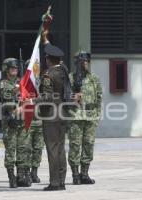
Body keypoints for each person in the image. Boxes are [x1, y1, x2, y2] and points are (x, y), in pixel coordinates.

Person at [26, 28, 72, 191]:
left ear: (48, 59)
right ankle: (61, 181)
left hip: (51, 115)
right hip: (63, 114)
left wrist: (30, 100)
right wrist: (46, 40)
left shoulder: (48, 75)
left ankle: (54, 183)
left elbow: (47, 97)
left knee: (52, 148)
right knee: (60, 148)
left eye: (46, 57)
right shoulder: (64, 70)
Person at [68, 50, 103, 185]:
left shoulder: (94, 79)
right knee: (75, 145)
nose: (85, 63)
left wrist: (97, 115)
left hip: (90, 117)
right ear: (77, 62)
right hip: (75, 117)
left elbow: (99, 97)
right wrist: (73, 97)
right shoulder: (70, 78)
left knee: (88, 145)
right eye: (83, 61)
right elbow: (63, 97)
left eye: (87, 61)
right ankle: (75, 175)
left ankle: (84, 174)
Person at [0, 58, 32, 188]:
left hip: (22, 120)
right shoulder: (3, 83)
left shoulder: (22, 82)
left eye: (16, 68)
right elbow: (6, 96)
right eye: (12, 68)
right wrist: (17, 90)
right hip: (10, 121)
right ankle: (11, 176)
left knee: (23, 148)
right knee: (11, 149)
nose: (15, 70)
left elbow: (29, 97)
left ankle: (21, 175)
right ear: (6, 69)